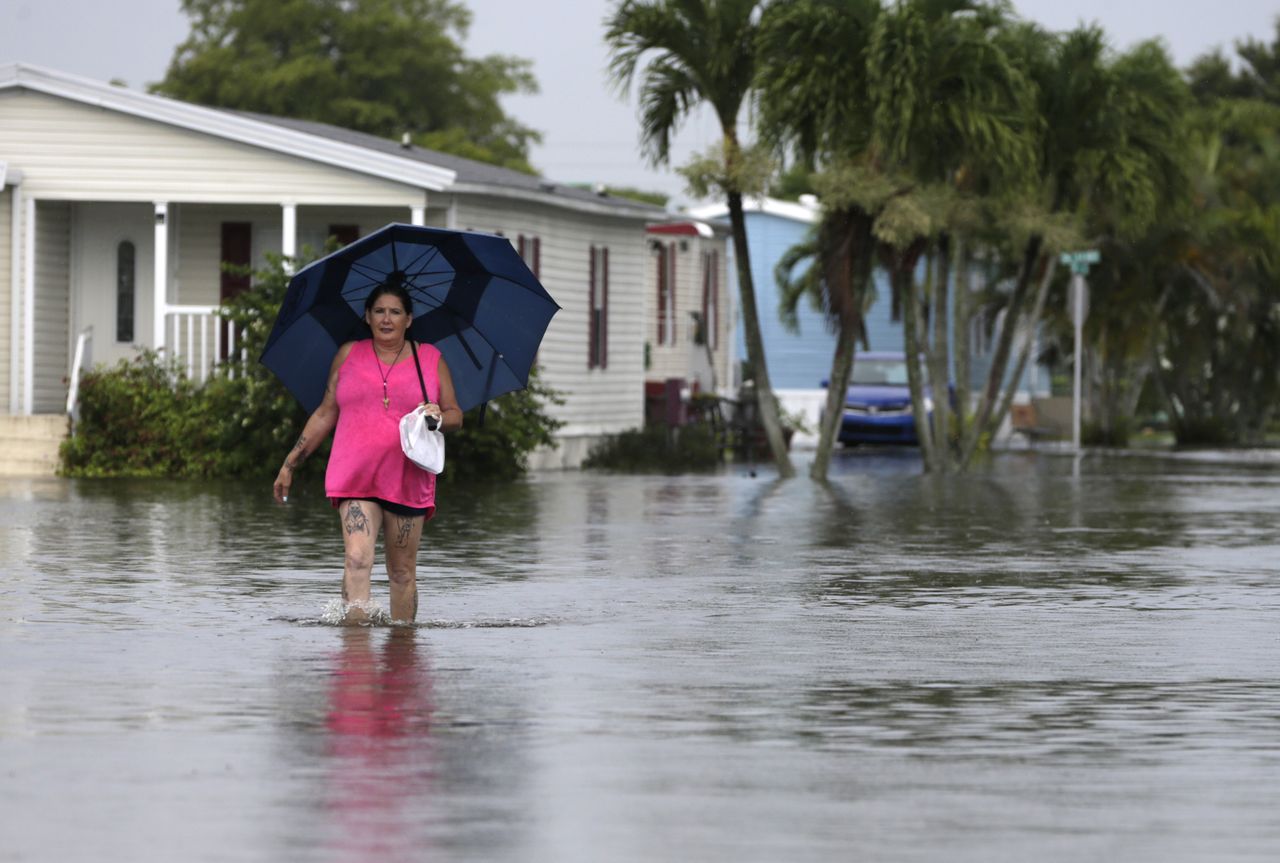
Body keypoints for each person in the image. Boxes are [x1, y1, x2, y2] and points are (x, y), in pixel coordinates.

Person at [273, 282, 462, 623]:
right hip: (355, 477)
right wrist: (290, 464)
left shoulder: (429, 358)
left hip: (408, 479)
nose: (386, 319)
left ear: (409, 319)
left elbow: (455, 415)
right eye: (379, 311)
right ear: (367, 316)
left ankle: (402, 648)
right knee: (357, 558)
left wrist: (437, 418)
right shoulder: (349, 354)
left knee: (401, 572)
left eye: (395, 312)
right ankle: (356, 650)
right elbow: (325, 413)